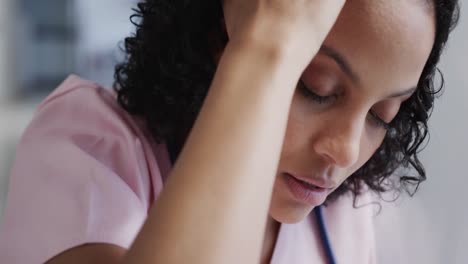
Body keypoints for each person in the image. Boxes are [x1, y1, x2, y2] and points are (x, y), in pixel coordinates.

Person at [0, 0, 460, 263]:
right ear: (223, 38)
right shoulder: (89, 145)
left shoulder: (349, 215)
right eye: (315, 87)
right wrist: (266, 46)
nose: (344, 150)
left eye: (382, 114)